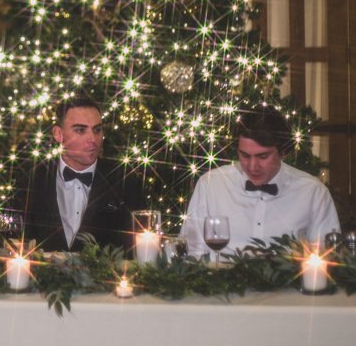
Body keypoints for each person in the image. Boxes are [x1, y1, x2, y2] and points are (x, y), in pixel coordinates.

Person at [181, 104, 340, 257]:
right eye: (245, 155)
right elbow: (193, 251)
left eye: (263, 156)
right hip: (219, 283)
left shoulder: (312, 192)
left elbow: (328, 256)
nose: (252, 166)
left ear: (283, 152)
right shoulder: (211, 184)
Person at [20, 97, 145, 252]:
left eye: (97, 130)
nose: (92, 139)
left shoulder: (126, 182)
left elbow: (135, 251)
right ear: (58, 134)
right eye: (80, 130)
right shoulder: (30, 181)